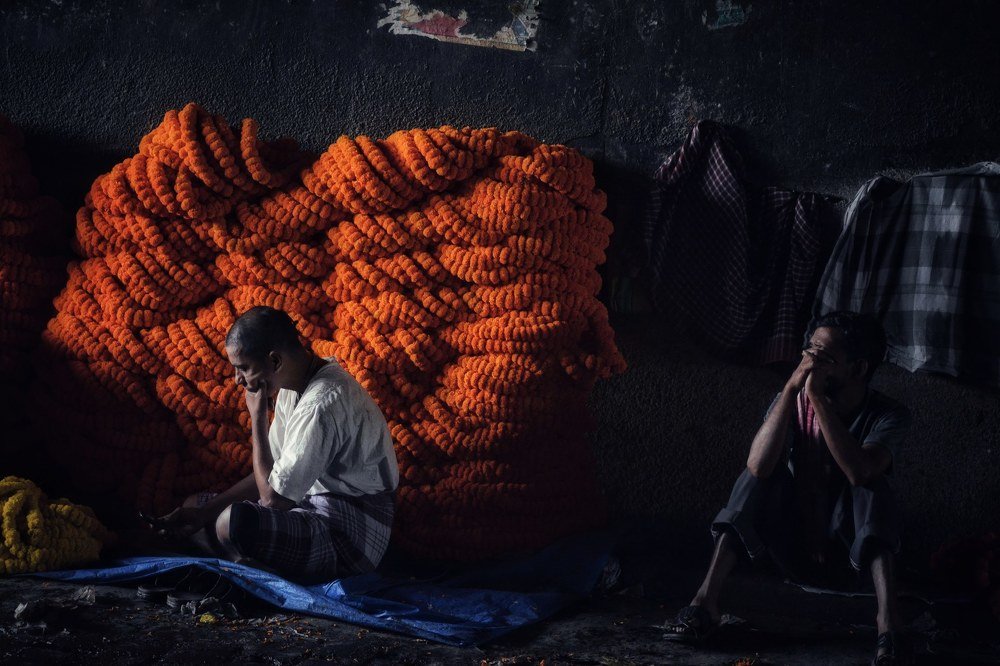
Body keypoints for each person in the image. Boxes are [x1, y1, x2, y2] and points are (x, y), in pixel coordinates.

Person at [663, 311, 912, 665]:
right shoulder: (792, 400)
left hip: (849, 554)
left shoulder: (889, 415)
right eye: (808, 352)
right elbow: (758, 465)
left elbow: (859, 471)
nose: (808, 364)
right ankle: (704, 603)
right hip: (791, 544)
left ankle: (888, 624)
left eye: (823, 359)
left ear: (858, 370)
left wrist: (820, 401)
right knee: (756, 478)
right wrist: (791, 390)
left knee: (872, 486)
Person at [158, 306, 399, 582]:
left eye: (243, 368)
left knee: (231, 522)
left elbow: (272, 499)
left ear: (274, 361)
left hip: (351, 533)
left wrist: (257, 417)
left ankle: (246, 566)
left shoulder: (321, 404)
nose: (238, 380)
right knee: (198, 510)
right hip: (304, 507)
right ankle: (248, 564)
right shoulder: (291, 387)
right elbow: (271, 475)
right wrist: (202, 514)